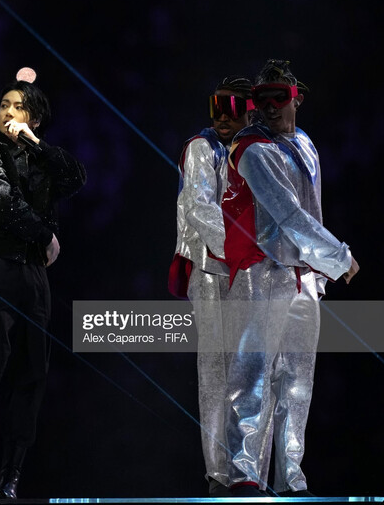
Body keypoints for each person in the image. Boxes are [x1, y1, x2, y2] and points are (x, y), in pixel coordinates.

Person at [220, 59, 360, 497]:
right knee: (254, 375)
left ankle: (291, 476)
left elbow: (310, 212)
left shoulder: (305, 143)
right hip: (263, 272)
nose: (269, 108)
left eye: (279, 98)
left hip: (303, 279)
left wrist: (320, 268)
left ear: (295, 98)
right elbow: (288, 214)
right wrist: (339, 257)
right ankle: (244, 471)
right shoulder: (250, 149)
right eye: (262, 101)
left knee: (298, 384)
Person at [0, 77, 86, 499]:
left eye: (18, 107)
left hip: (33, 276)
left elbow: (76, 177)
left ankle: (11, 476)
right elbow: (1, 201)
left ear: (35, 117)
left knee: (33, 374)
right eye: (4, 104)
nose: (8, 112)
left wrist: (36, 144)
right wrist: (45, 234)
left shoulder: (43, 157)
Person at [168, 76, 254, 497]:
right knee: (217, 372)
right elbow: (200, 208)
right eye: (217, 105)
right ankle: (219, 472)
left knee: (252, 372)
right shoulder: (203, 149)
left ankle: (248, 470)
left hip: (248, 271)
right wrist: (241, 253)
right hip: (214, 269)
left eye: (232, 107)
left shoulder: (256, 153)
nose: (223, 114)